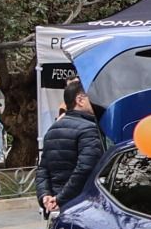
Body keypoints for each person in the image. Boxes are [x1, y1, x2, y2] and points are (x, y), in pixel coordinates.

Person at [34, 80, 103, 216]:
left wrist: (45, 196)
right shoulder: (89, 129)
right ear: (80, 100)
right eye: (93, 98)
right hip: (81, 205)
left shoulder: (52, 129)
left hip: (58, 205)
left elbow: (42, 169)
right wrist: (60, 198)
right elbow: (85, 169)